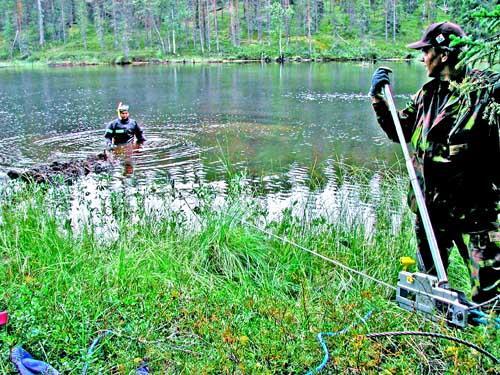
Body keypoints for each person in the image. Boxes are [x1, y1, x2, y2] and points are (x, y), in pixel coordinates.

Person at [369, 21, 499, 304]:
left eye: (426, 50)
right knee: (429, 288)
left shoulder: (483, 91)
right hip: (430, 211)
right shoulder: (428, 94)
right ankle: (437, 339)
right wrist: (379, 100)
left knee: (489, 295)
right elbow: (400, 132)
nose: (422, 57)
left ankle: (485, 340)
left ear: (443, 54)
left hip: (473, 214)